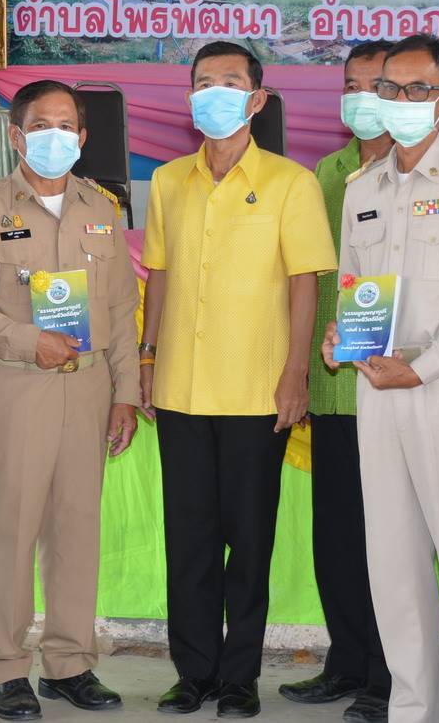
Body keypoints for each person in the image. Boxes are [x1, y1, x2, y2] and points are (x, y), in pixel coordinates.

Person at [141, 41, 335, 719]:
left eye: (229, 82)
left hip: (259, 391)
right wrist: (145, 356)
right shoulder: (169, 182)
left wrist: (295, 374)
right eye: (202, 82)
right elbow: (159, 276)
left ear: (257, 99)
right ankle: (192, 674)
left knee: (249, 540)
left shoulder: (292, 182)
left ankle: (239, 677)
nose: (213, 92)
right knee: (188, 538)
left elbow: (303, 284)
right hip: (181, 388)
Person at [324, 33, 439, 723]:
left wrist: (425, 366)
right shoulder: (361, 188)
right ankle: (414, 709)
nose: (400, 102)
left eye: (416, 89)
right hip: (378, 391)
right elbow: (353, 284)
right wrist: (340, 333)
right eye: (388, 90)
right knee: (395, 567)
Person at [0, 80, 140, 721]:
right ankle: (5, 667)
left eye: (67, 126)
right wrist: (24, 340)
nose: (55, 137)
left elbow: (123, 308)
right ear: (16, 136)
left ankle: (70, 663)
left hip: (90, 385)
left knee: (76, 529)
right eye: (41, 125)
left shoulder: (103, 207)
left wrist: (125, 394)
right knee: (10, 531)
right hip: (16, 386)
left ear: (84, 138)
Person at [281, 40, 394, 723]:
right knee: (339, 539)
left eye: (377, 84)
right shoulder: (324, 172)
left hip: (392, 383)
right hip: (332, 388)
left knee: (391, 542)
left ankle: (388, 673)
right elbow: (308, 278)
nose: (361, 96)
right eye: (350, 84)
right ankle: (346, 660)